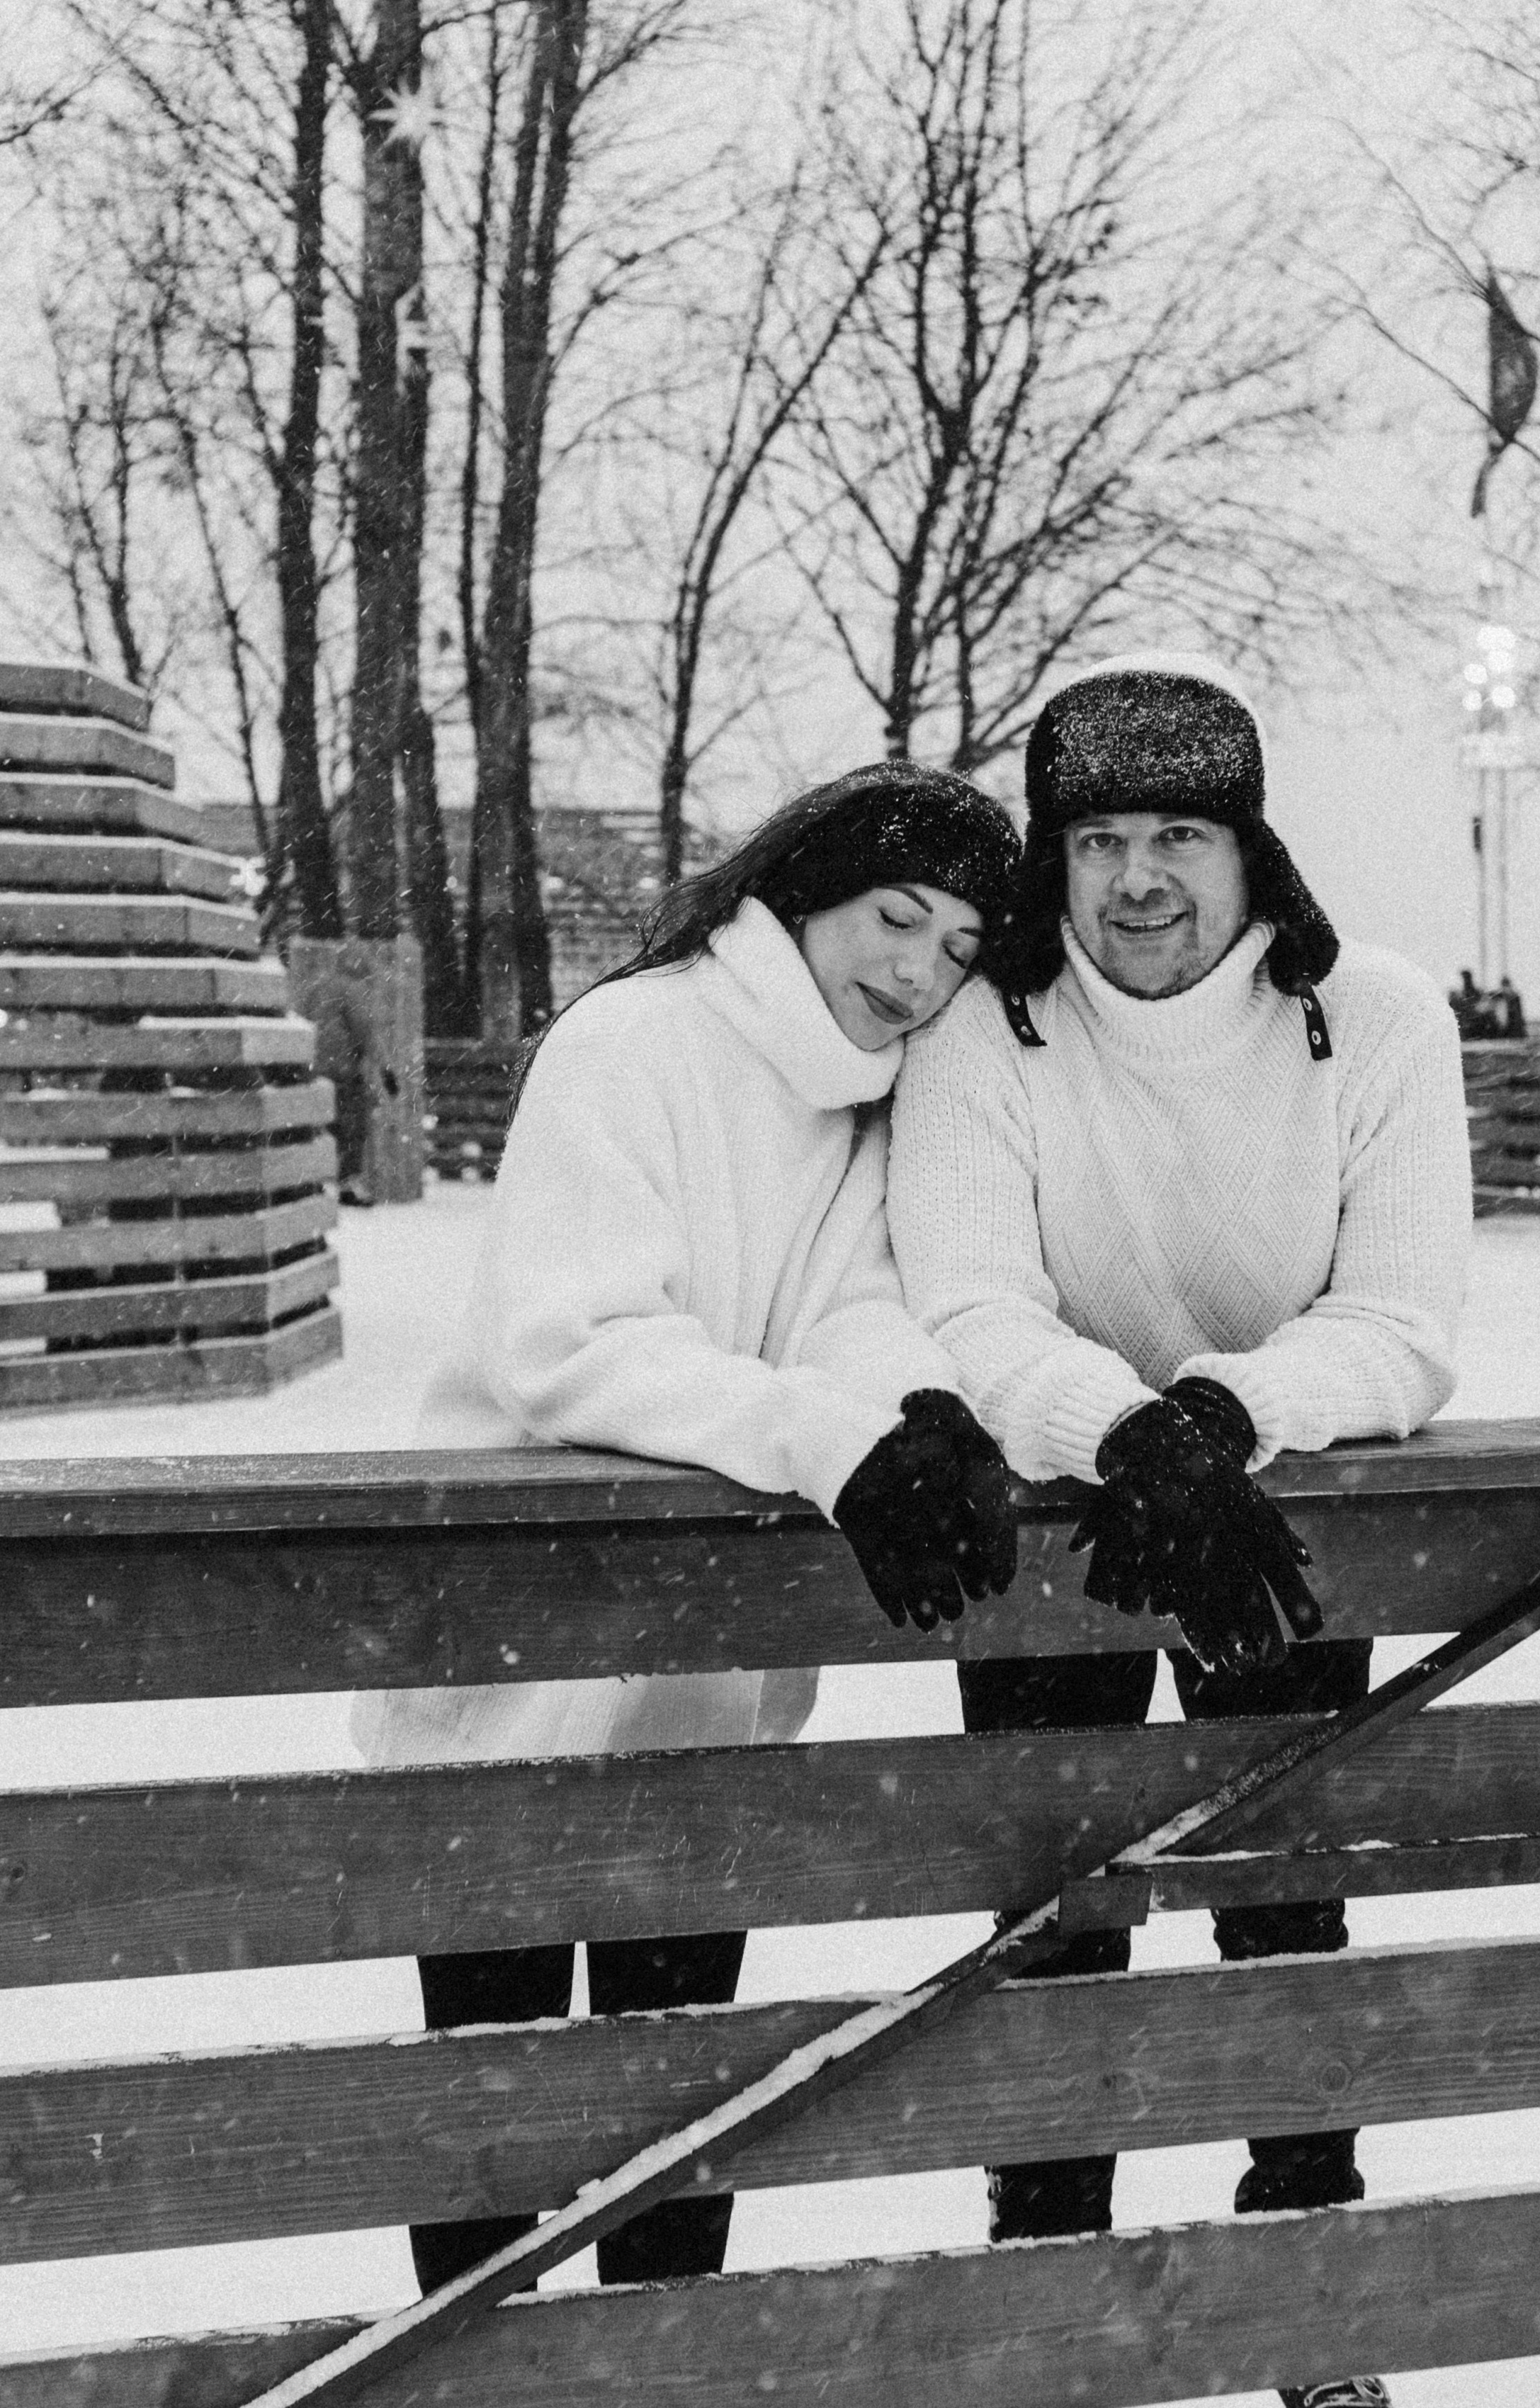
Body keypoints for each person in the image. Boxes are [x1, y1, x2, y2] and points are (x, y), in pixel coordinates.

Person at [353, 761, 1024, 2297]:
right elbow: (573, 1342)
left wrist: (918, 1410)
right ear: (806, 893)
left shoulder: (871, 1098)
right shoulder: (634, 1041)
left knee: (681, 2124)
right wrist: (825, 1443)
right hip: (511, 1682)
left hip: (703, 1686)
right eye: (895, 917)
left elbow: (848, 1302)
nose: (917, 971)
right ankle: (474, 2385)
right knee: (496, 2130)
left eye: (960, 949)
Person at [888, 653, 1473, 2408]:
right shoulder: (983, 1029)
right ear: (1051, 861)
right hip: (1054, 1525)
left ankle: (1306, 2304)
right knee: (1051, 1922)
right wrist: (1125, 1431)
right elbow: (967, 1303)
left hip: (1265, 1516)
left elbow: (1402, 1317)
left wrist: (1219, 1420)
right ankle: (1052, 2304)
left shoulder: (1374, 1017)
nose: (1137, 880)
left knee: (1280, 1908)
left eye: (1178, 837)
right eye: (1097, 842)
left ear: (1246, 849)